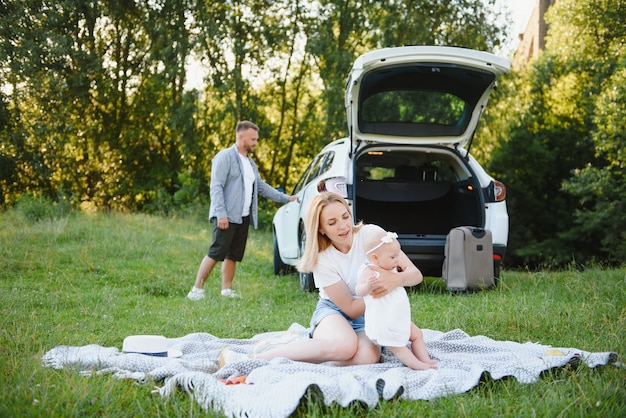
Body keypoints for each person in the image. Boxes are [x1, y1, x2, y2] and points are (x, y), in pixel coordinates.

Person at [219, 191, 424, 367]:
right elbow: (351, 308)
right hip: (335, 312)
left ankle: (305, 352)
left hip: (370, 313)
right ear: (320, 228)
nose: (343, 226)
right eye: (332, 222)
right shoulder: (322, 258)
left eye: (345, 216)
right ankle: (253, 358)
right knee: (345, 346)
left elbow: (415, 275)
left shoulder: (372, 235)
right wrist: (378, 289)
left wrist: (394, 281)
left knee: (367, 357)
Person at [187, 121, 297, 300]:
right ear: (241, 137)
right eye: (252, 139)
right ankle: (196, 290)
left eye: (256, 139)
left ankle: (226, 290)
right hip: (226, 216)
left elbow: (261, 187)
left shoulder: (250, 163)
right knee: (216, 252)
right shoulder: (225, 157)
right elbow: (216, 187)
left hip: (242, 217)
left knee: (233, 255)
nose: (255, 143)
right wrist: (221, 213)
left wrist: (286, 198)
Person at [355, 229, 438, 370]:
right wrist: (368, 286)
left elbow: (415, 276)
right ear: (375, 258)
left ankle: (425, 359)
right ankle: (417, 365)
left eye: (397, 256)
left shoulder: (390, 267)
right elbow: (359, 290)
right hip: (384, 322)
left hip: (396, 317)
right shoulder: (369, 271)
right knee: (398, 346)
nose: (397, 260)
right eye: (392, 257)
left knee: (417, 334)